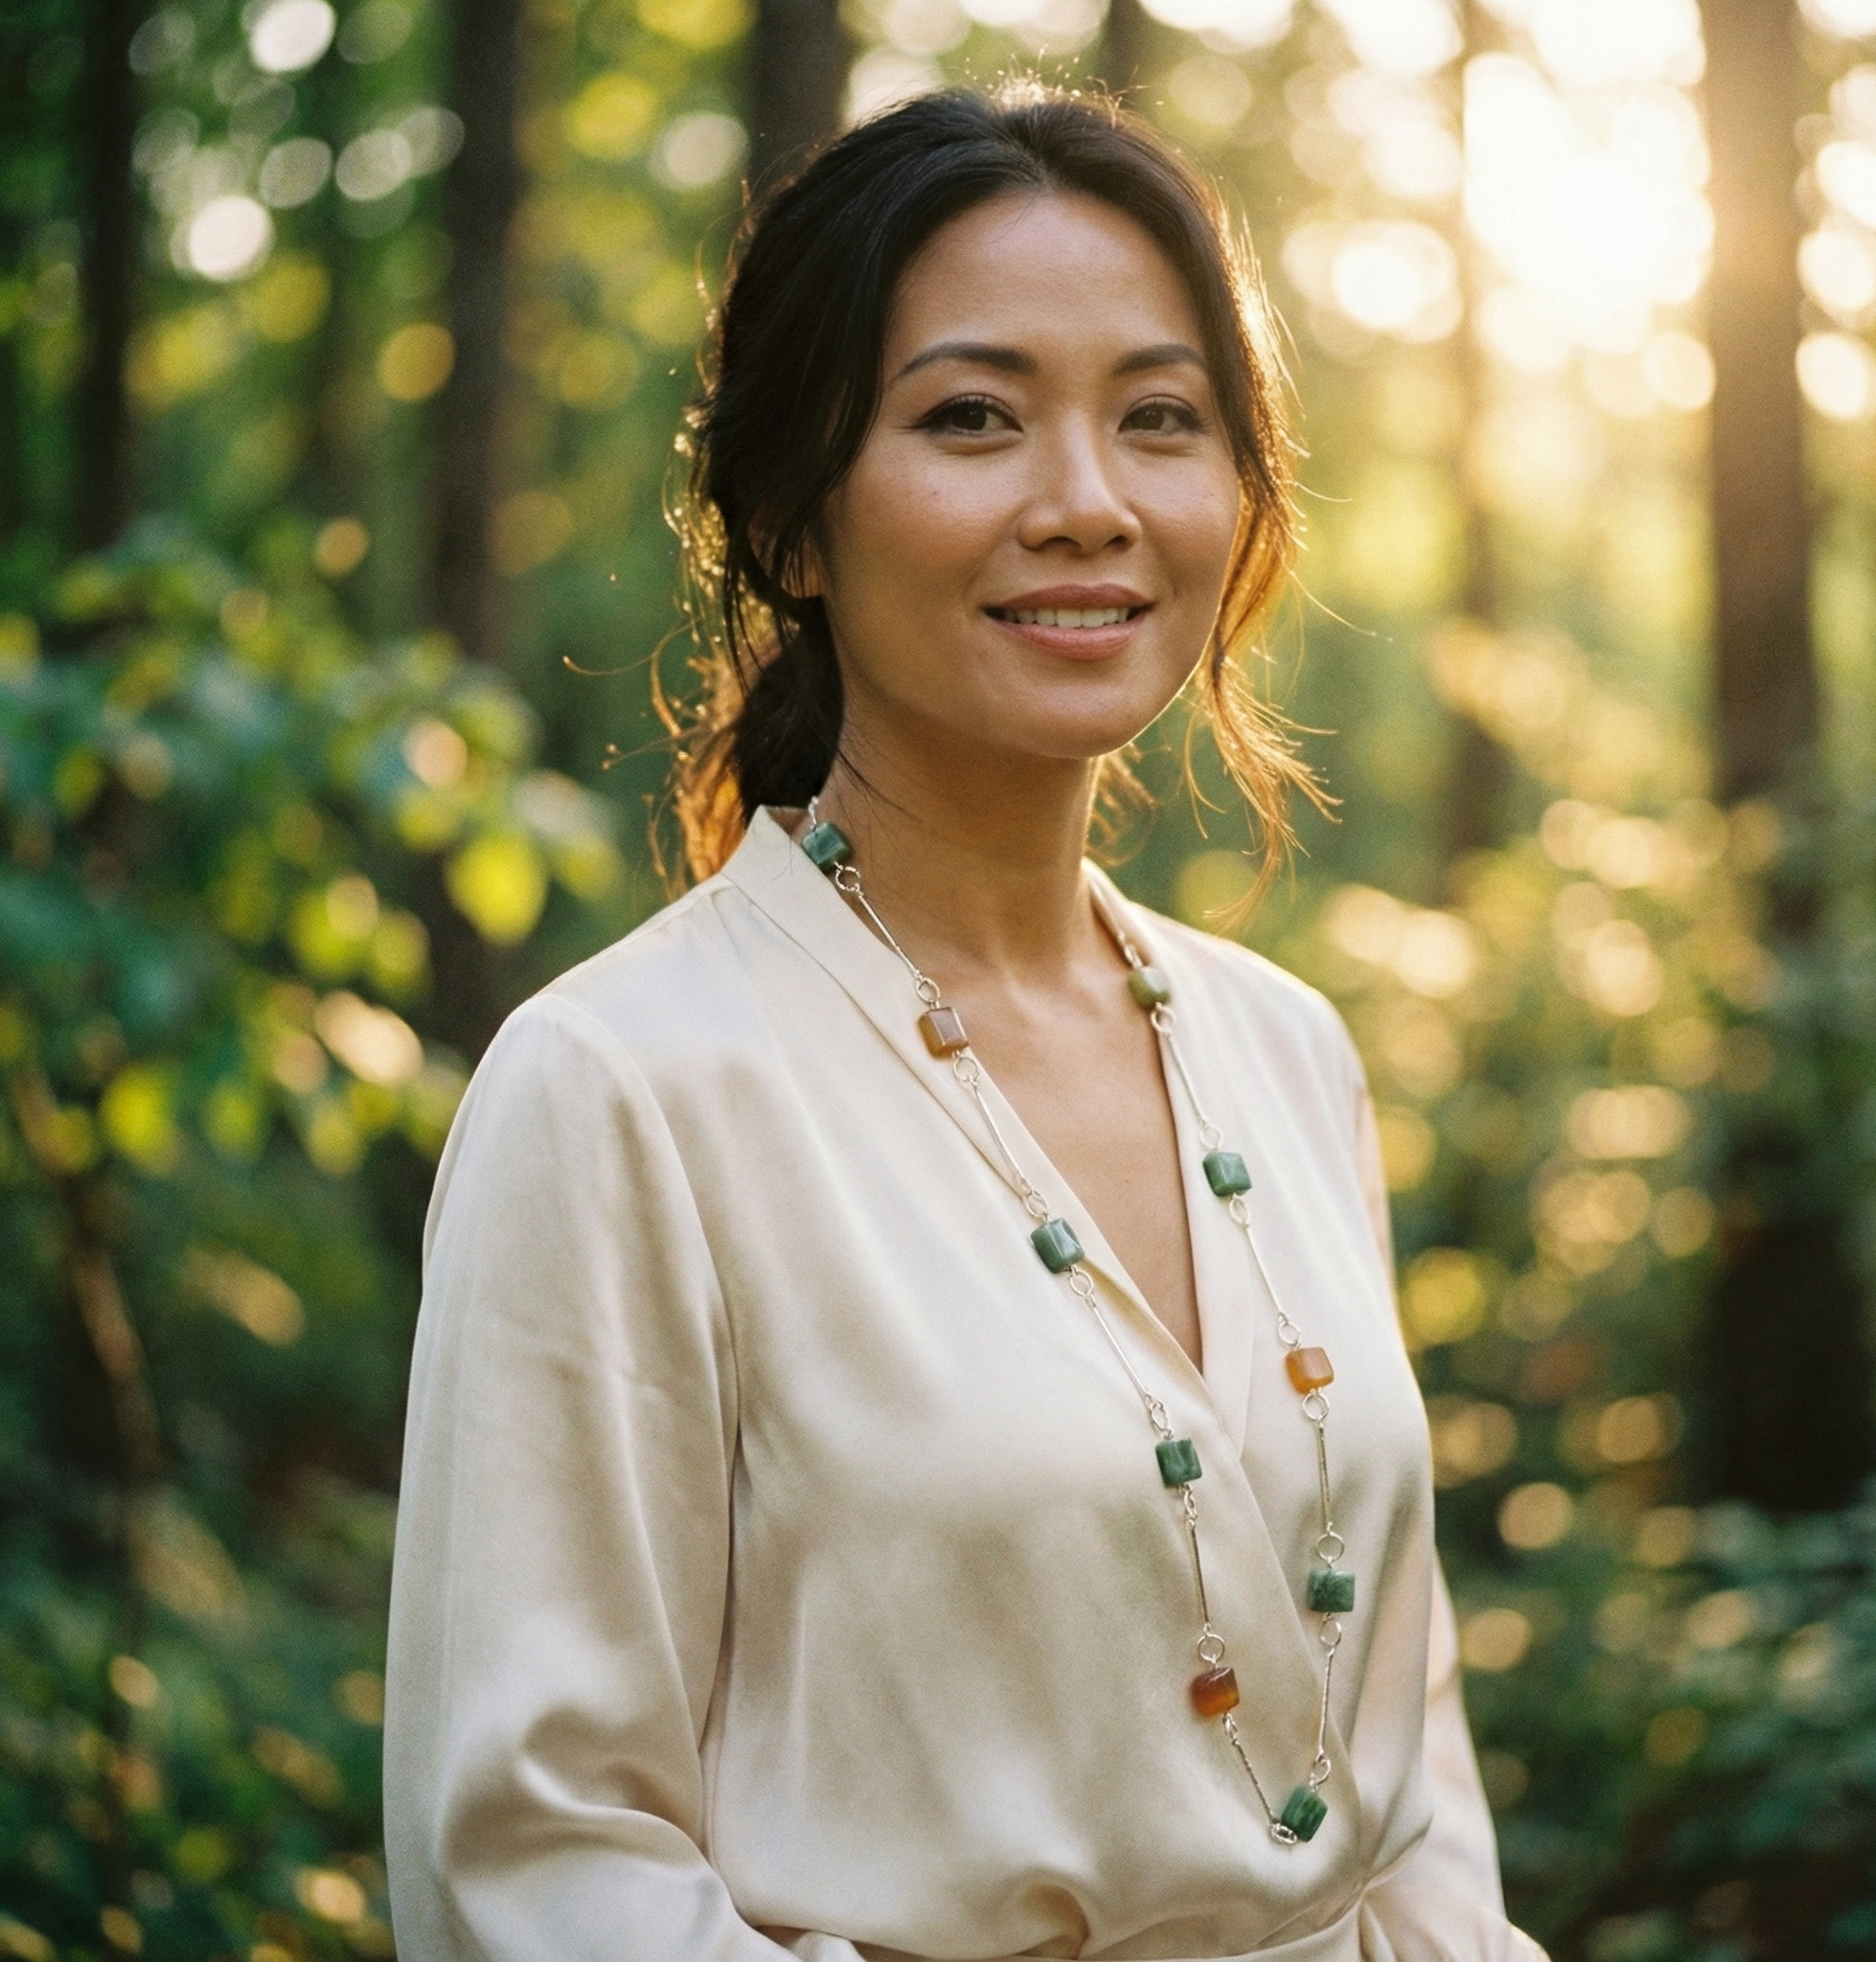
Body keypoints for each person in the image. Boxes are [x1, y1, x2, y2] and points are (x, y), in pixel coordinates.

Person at [383, 83, 1546, 1962]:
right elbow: (537, 1866)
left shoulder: (1285, 1050)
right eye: (970, 417)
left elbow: (1401, 1784)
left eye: (1160, 418)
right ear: (793, 517)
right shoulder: (621, 1092)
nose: (1084, 500)